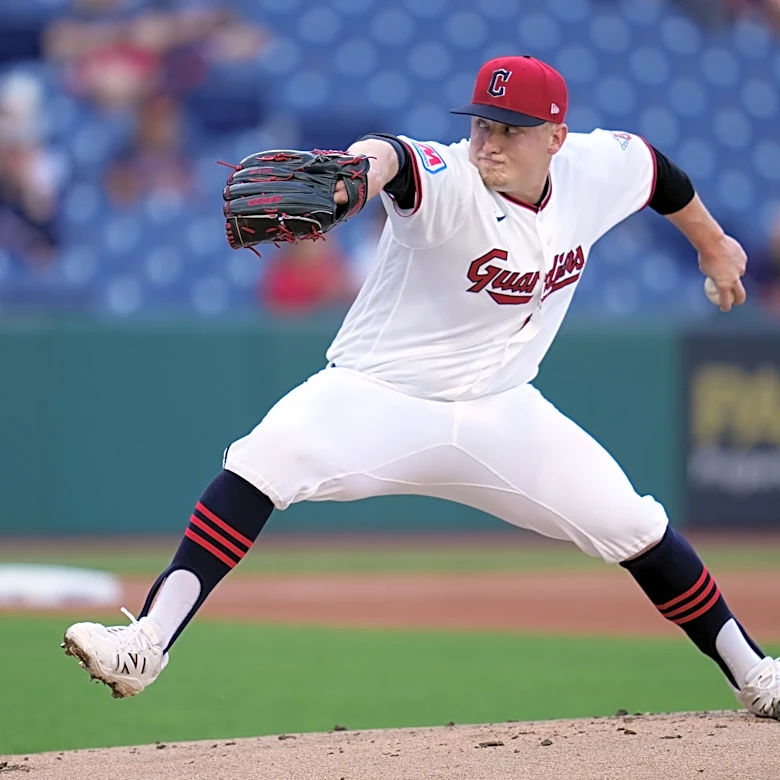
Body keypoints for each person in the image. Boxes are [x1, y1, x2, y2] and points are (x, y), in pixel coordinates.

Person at [61, 55, 779, 720]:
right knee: (260, 461)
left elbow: (657, 173)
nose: (489, 142)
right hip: (380, 395)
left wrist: (713, 245)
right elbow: (395, 157)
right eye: (483, 123)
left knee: (636, 525)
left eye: (511, 129)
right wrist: (357, 172)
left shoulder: (597, 167)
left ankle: (755, 676)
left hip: (503, 407)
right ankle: (146, 644)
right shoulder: (452, 178)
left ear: (556, 138)